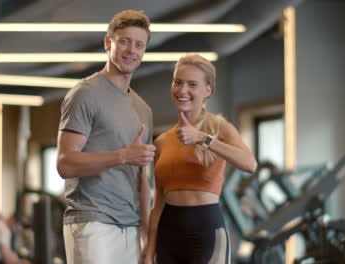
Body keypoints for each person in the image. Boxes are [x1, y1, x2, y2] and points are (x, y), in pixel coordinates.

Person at [56, 9, 155, 264]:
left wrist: (146, 230)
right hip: (92, 221)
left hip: (131, 228)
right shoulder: (85, 94)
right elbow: (65, 163)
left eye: (139, 44)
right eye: (124, 41)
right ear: (107, 42)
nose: (132, 50)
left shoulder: (143, 109)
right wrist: (123, 155)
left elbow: (143, 179)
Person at [143, 54, 258, 264]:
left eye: (192, 84)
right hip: (168, 233)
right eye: (178, 82)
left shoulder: (220, 128)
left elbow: (250, 164)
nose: (182, 90)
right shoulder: (161, 142)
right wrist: (149, 250)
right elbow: (157, 204)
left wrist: (203, 139)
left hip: (207, 230)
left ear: (208, 90)